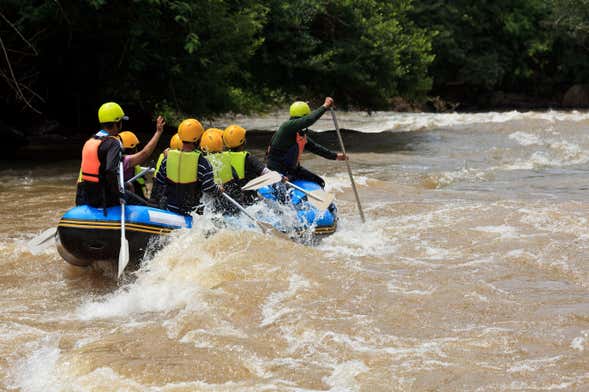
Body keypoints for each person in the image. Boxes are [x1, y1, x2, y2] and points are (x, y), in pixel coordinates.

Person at [266, 97, 347, 188]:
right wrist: (325, 106)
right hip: (277, 171)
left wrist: (335, 156)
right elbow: (309, 120)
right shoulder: (286, 127)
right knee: (283, 191)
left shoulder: (300, 134)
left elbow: (315, 148)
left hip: (292, 170)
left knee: (320, 182)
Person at [153, 119, 221, 215]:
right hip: (191, 213)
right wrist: (219, 190)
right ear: (197, 139)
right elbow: (209, 188)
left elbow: (159, 182)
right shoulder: (202, 162)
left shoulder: (167, 159)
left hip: (169, 209)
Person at [75, 102, 128, 208]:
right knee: (135, 198)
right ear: (117, 123)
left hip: (86, 195)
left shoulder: (91, 140)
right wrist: (118, 194)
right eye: (121, 121)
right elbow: (110, 170)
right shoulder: (114, 143)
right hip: (104, 198)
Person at [118, 115, 165, 200]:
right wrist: (158, 132)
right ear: (132, 149)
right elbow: (145, 153)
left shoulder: (113, 159)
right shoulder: (125, 161)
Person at [223, 124, 267, 205]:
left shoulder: (221, 158)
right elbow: (265, 171)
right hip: (250, 202)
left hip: (231, 202)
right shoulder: (249, 158)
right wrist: (280, 177)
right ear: (243, 141)